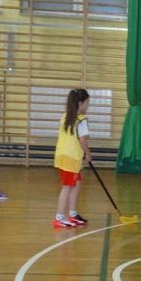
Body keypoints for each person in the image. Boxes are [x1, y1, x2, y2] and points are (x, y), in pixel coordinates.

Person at [53, 89, 92, 228]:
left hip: (62, 156)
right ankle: (59, 217)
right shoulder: (81, 120)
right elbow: (82, 140)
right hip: (71, 158)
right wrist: (88, 154)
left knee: (76, 184)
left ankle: (73, 214)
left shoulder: (65, 116)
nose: (88, 106)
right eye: (87, 103)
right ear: (80, 103)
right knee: (67, 187)